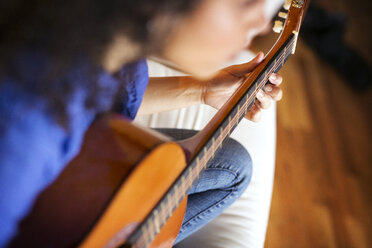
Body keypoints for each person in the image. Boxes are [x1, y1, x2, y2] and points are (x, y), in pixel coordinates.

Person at [0, 0, 283, 246]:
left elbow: (113, 96)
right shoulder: (22, 133)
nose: (262, 23)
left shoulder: (106, 44)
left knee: (234, 163)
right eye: (245, 1)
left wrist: (203, 90)